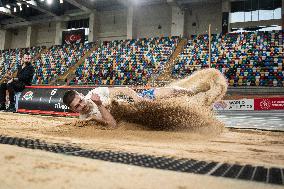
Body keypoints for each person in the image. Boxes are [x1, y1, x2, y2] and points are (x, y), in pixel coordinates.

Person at [63, 68, 227, 128]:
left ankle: (196, 92)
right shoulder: (86, 117)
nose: (82, 105)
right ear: (73, 110)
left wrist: (137, 98)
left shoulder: (96, 92)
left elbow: (124, 90)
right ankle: (197, 112)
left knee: (172, 92)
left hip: (138, 99)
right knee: (169, 114)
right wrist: (99, 106)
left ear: (81, 96)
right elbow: (112, 124)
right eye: (77, 106)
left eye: (81, 101)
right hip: (135, 116)